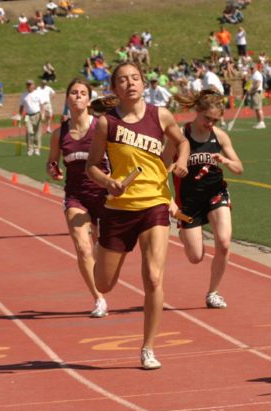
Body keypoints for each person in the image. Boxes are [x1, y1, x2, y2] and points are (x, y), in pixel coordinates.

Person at [85, 62, 189, 370]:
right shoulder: (107, 123)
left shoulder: (161, 116)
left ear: (144, 83)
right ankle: (98, 244)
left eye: (135, 78)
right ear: (115, 89)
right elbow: (92, 166)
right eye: (122, 80)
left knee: (154, 277)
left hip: (155, 205)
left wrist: (181, 161)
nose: (130, 83)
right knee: (103, 284)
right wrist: (109, 182)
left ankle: (148, 348)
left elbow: (181, 141)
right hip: (119, 210)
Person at [171, 89, 243, 309]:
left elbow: (239, 168)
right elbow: (161, 168)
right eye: (207, 119)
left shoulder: (219, 136)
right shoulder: (179, 136)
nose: (210, 124)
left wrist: (226, 161)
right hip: (188, 203)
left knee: (223, 242)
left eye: (215, 120)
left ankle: (213, 292)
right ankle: (184, 231)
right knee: (195, 257)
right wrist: (170, 201)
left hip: (215, 193)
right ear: (197, 111)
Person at [46, 78, 111, 319]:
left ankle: (102, 275)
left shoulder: (101, 127)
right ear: (67, 99)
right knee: (83, 249)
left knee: (104, 249)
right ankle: (98, 298)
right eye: (73, 93)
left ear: (89, 99)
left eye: (82, 93)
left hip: (103, 195)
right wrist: (52, 169)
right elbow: (51, 161)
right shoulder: (59, 133)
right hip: (76, 197)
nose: (78, 97)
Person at [18, 80, 43, 156]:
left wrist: (43, 113)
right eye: (27, 85)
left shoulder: (37, 93)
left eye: (30, 84)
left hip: (37, 115)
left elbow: (41, 105)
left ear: (33, 85)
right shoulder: (24, 95)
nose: (29, 86)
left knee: (37, 133)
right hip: (28, 116)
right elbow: (21, 106)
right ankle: (30, 149)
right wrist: (20, 116)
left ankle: (37, 149)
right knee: (29, 132)